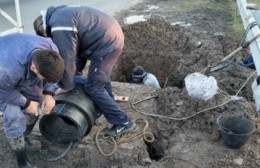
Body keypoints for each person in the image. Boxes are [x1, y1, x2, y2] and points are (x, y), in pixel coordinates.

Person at [33, 5, 136, 137]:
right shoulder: (60, 15)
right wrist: (77, 73)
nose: (50, 39)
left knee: (94, 87)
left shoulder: (59, 26)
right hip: (109, 36)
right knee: (100, 80)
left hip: (107, 42)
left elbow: (67, 58)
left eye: (47, 36)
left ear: (43, 29)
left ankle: (123, 123)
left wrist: (66, 86)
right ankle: (108, 110)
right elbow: (77, 50)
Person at [0, 33, 64, 168]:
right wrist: (26, 103)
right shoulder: (7, 70)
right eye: (43, 76)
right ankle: (21, 161)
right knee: (14, 116)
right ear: (34, 68)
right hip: (3, 82)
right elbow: (3, 92)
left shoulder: (51, 51)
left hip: (19, 71)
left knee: (40, 103)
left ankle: (24, 136)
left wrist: (48, 94)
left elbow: (50, 77)